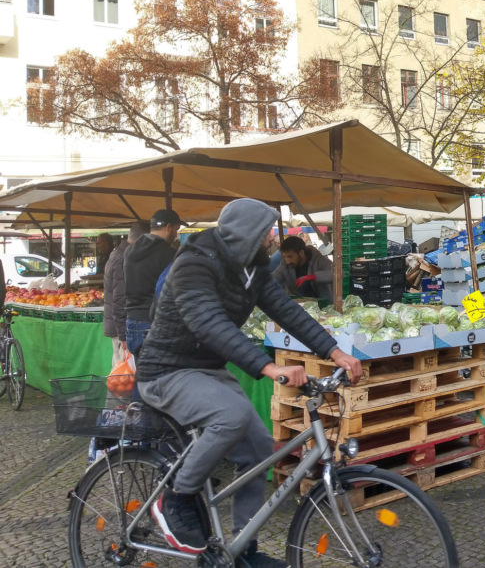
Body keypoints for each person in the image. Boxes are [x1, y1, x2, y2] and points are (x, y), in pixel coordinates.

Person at [137, 199, 362, 563]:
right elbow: (208, 322)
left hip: (207, 368)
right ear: (247, 234)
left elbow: (287, 310)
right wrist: (269, 368)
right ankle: (175, 499)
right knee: (232, 415)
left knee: (259, 450)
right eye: (266, 233)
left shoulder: (252, 268)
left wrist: (335, 352)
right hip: (166, 370)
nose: (270, 240)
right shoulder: (193, 263)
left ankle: (242, 549)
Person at [123, 209, 182, 357]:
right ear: (168, 227)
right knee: (160, 376)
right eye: (176, 230)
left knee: (142, 374)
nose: (175, 234)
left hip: (132, 321)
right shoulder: (168, 254)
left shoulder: (129, 251)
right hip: (154, 322)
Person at [102, 221, 148, 367]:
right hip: (121, 328)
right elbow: (120, 298)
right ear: (143, 239)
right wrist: (123, 334)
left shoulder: (119, 252)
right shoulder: (125, 257)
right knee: (123, 377)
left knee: (120, 374)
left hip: (118, 325)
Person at [271, 235, 335, 300]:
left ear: (301, 253)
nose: (288, 261)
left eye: (290, 257)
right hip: (299, 305)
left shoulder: (319, 259)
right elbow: (274, 278)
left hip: (322, 304)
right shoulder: (285, 265)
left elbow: (338, 273)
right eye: (285, 257)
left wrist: (312, 277)